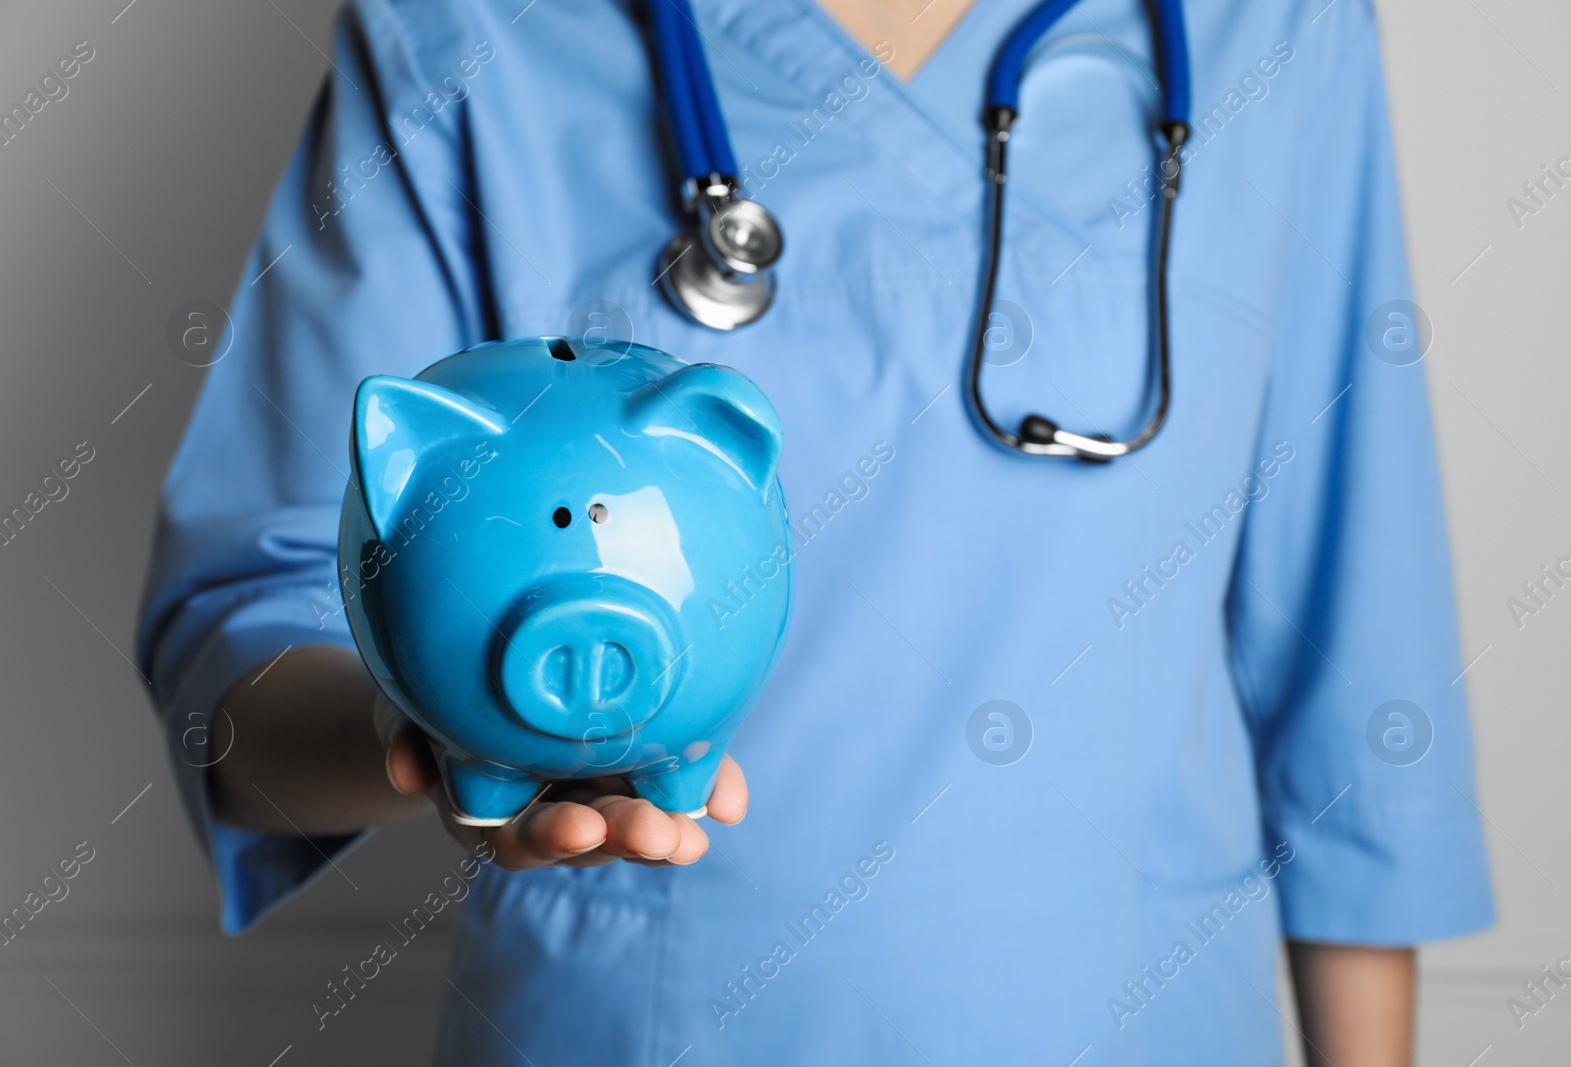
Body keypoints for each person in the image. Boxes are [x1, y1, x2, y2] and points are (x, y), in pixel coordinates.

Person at [137, 0, 1493, 1063]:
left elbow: (1357, 669)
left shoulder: (1277, 32)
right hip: (640, 1033)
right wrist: (432, 745)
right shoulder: (468, 32)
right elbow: (239, 635)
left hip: (1142, 1022)